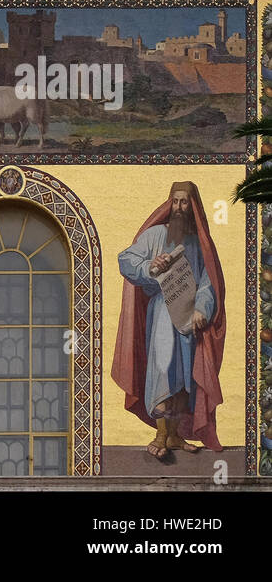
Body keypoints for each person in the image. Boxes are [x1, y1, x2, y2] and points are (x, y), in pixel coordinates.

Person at [112, 181, 226, 458]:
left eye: (184, 202)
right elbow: (125, 259)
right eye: (175, 202)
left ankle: (174, 437)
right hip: (163, 311)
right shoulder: (154, 235)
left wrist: (203, 308)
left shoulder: (199, 245)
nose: (178, 207)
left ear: (193, 207)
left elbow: (208, 282)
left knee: (185, 376)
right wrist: (150, 266)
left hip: (189, 318)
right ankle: (161, 434)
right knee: (163, 368)